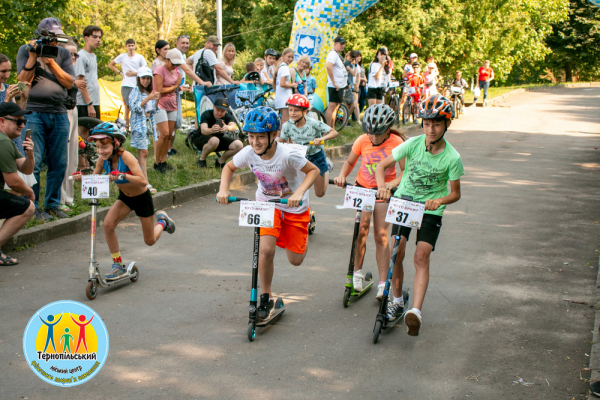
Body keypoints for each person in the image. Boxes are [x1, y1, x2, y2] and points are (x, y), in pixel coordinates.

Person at [217, 107, 319, 321]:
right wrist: (223, 189)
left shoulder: (288, 154)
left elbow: (313, 171)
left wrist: (300, 192)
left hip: (294, 206)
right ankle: (266, 296)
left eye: (260, 137)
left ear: (274, 135)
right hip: (267, 204)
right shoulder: (248, 152)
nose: (255, 142)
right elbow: (228, 168)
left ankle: (301, 229)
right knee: (265, 251)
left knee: (296, 260)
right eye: (251, 136)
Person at [375, 94, 464, 336]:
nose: (431, 129)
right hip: (404, 202)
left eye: (436, 124)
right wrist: (384, 186)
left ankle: (415, 311)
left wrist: (440, 200)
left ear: (446, 125)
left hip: (429, 209)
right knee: (397, 251)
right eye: (426, 123)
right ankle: (396, 300)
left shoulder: (452, 157)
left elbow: (455, 193)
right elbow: (381, 166)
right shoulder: (413, 144)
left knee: (421, 255)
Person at [72, 122, 176, 280]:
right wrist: (81, 178)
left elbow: (142, 181)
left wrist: (122, 175)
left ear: (116, 143)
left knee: (150, 240)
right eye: (98, 147)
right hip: (125, 198)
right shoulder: (102, 160)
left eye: (104, 147)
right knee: (107, 224)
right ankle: (117, 265)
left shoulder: (125, 157)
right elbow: (94, 180)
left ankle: (163, 222)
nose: (101, 151)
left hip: (142, 198)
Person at [333, 104, 405, 300]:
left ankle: (383, 283)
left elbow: (404, 171)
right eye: (370, 133)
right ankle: (357, 273)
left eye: (378, 134)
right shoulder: (362, 140)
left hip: (382, 192)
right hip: (362, 188)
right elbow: (350, 163)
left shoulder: (396, 142)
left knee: (381, 236)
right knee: (360, 230)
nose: (373, 138)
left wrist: (390, 185)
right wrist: (341, 175)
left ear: (388, 130)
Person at [17, 17, 75, 221]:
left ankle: (52, 205)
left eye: (56, 38)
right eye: (49, 38)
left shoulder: (64, 53)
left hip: (59, 113)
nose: (53, 43)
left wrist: (51, 62)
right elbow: (22, 82)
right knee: (34, 160)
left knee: (59, 162)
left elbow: (69, 82)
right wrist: (34, 57)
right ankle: (33, 207)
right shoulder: (26, 50)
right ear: (40, 35)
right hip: (33, 113)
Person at [281, 93, 338, 197]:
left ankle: (326, 167)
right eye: (290, 110)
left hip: (316, 156)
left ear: (304, 111)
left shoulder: (313, 123)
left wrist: (321, 138)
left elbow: (334, 132)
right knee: (298, 189)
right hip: (300, 156)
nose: (293, 113)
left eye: (296, 110)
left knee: (319, 193)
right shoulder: (287, 126)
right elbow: (281, 141)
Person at [0, 102, 36, 265]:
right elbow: (12, 181)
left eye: (24, 121)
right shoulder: (3, 142)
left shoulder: (7, 141)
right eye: (17, 121)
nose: (22, 125)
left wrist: (30, 155)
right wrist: (29, 191)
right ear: (2, 121)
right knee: (28, 207)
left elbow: (25, 169)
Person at [59, 38, 86, 213]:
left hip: (73, 109)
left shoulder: (73, 69)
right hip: (61, 111)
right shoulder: (56, 70)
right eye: (70, 54)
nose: (73, 57)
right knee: (63, 158)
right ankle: (60, 199)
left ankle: (69, 198)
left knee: (73, 158)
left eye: (75, 54)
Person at [128, 67, 160, 193]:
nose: (146, 81)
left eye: (148, 78)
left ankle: (141, 179)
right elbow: (134, 107)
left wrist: (155, 99)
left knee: (144, 152)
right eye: (143, 78)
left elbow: (152, 110)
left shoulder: (149, 92)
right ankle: (144, 182)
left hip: (147, 124)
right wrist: (148, 99)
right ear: (139, 79)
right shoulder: (135, 90)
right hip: (138, 124)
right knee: (143, 152)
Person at [153, 49, 183, 173]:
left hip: (173, 105)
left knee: (170, 135)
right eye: (173, 63)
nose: (175, 66)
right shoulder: (159, 70)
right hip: (160, 104)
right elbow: (158, 90)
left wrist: (179, 87)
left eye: (177, 64)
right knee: (164, 134)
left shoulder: (176, 70)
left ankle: (163, 161)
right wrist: (175, 86)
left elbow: (173, 86)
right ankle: (156, 162)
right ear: (167, 59)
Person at [108, 39, 148, 128]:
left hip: (137, 85)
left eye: (132, 45)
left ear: (135, 46)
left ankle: (137, 126)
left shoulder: (140, 57)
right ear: (126, 47)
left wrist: (135, 73)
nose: (131, 47)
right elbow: (111, 64)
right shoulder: (122, 56)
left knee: (139, 107)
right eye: (129, 45)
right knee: (127, 108)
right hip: (126, 85)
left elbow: (146, 70)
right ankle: (127, 127)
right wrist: (120, 73)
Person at [193, 97, 243, 168]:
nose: (219, 113)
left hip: (217, 139)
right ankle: (201, 160)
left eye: (222, 111)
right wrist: (212, 130)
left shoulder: (228, 116)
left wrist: (227, 127)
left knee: (239, 145)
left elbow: (233, 127)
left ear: (226, 111)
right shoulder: (206, 114)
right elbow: (203, 130)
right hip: (200, 138)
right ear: (213, 107)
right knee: (214, 140)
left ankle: (220, 162)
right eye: (217, 110)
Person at [0, 54, 30, 153]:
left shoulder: (7, 88)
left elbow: (16, 115)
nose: (7, 75)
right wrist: (7, 99)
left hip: (13, 139)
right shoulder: (8, 92)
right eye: (3, 71)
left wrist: (24, 98)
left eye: (9, 70)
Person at [75, 26, 102, 120]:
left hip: (95, 101)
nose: (98, 40)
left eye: (99, 37)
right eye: (95, 37)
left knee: (95, 133)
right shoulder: (81, 56)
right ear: (86, 38)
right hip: (84, 103)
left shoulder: (93, 56)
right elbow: (81, 83)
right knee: (83, 133)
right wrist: (89, 104)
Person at [325, 36, 348, 128]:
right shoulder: (333, 54)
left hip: (340, 86)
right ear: (335, 44)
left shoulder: (337, 55)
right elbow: (329, 66)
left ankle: (332, 128)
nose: (343, 46)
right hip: (335, 86)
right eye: (341, 44)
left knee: (336, 108)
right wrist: (334, 82)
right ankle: (327, 128)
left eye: (344, 44)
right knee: (331, 107)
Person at [273, 48, 297, 126]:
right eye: (289, 57)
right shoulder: (285, 68)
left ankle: (282, 138)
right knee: (286, 122)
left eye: (292, 57)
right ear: (283, 56)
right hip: (284, 99)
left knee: (284, 121)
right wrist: (293, 85)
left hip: (282, 99)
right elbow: (282, 84)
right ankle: (284, 138)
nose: (290, 59)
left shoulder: (282, 67)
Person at [343, 50, 359, 124]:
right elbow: (353, 73)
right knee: (353, 105)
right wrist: (355, 64)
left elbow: (354, 73)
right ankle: (345, 121)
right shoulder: (346, 63)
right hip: (347, 86)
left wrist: (355, 65)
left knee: (348, 106)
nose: (352, 60)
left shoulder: (350, 64)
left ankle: (345, 121)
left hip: (350, 86)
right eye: (352, 58)